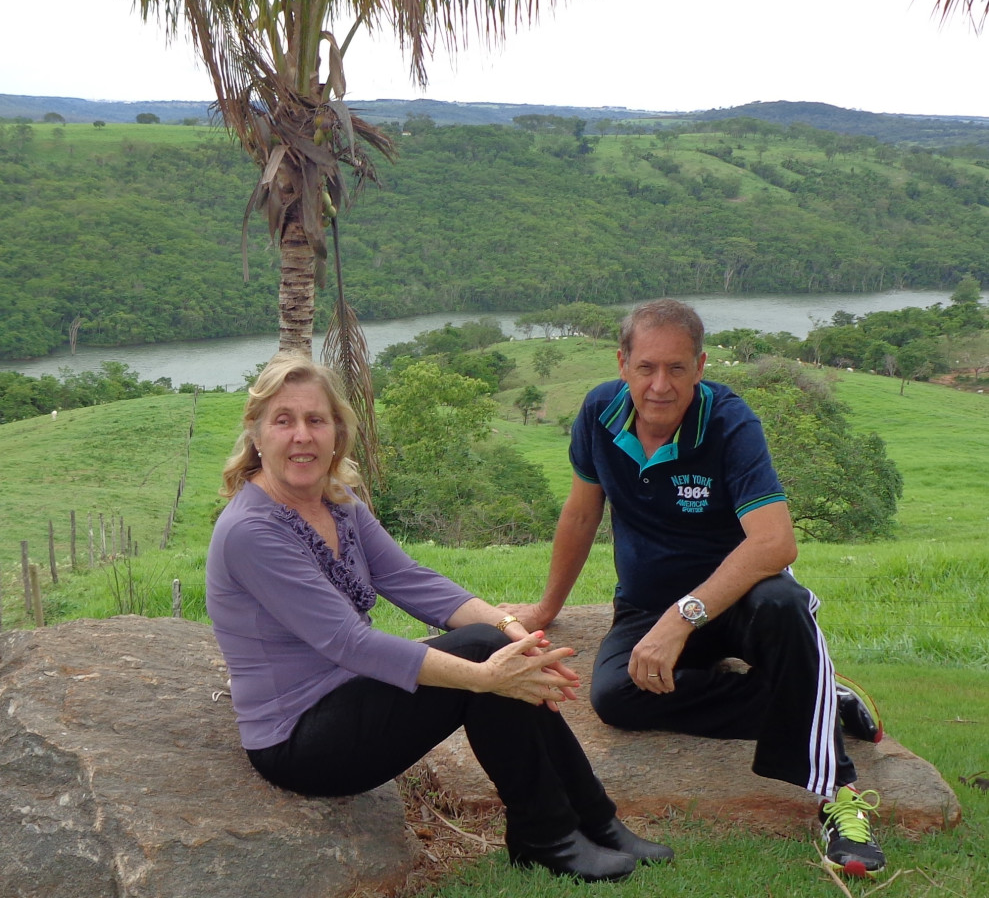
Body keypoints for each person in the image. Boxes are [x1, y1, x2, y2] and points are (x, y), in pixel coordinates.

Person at [206, 352, 673, 883]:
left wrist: (513, 632)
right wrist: (485, 675)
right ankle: (546, 835)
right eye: (283, 420)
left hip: (348, 696)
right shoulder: (253, 530)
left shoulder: (338, 502)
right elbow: (349, 642)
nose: (302, 436)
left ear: (338, 431)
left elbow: (409, 578)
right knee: (482, 659)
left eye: (316, 420)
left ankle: (593, 818)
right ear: (256, 433)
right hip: (298, 740)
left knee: (492, 646)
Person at [501, 299, 887, 878]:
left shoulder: (729, 421)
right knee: (614, 698)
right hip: (645, 603)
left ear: (701, 366)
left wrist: (683, 618)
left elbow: (776, 544)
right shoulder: (599, 413)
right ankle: (817, 701)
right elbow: (581, 516)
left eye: (677, 368)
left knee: (784, 603)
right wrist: (545, 608)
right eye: (647, 367)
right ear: (622, 363)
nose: (661, 385)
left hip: (734, 602)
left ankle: (840, 797)